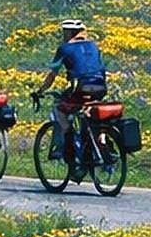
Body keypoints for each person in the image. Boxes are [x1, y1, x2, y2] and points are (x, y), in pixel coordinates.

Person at [33, 19, 110, 175]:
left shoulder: (64, 48)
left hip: (81, 86)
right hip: (100, 86)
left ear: (67, 32)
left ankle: (70, 151)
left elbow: (52, 74)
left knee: (60, 109)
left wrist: (40, 90)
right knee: (90, 112)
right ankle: (102, 141)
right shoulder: (93, 46)